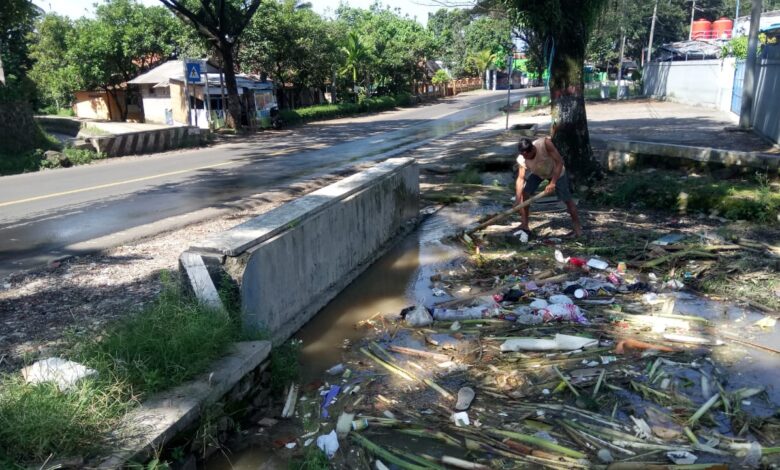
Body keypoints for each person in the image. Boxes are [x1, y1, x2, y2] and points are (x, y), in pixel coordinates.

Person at [515, 136, 583, 237]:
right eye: (523, 156)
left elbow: (559, 162)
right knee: (525, 194)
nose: (526, 159)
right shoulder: (522, 159)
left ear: (532, 149)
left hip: (556, 172)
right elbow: (521, 179)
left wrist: (553, 183)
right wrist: (517, 199)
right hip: (539, 173)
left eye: (527, 156)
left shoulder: (544, 144)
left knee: (567, 199)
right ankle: (525, 225)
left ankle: (577, 229)